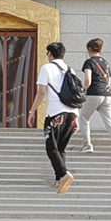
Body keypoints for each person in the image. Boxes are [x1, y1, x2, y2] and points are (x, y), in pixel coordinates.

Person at [36, 41, 79, 192]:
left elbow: (41, 92)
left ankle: (64, 174)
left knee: (51, 148)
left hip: (55, 113)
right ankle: (58, 179)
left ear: (50, 54)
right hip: (72, 113)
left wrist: (31, 111)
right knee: (61, 148)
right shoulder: (70, 69)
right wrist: (76, 118)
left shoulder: (46, 68)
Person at [76, 39, 111, 155]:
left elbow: (88, 79)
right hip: (108, 95)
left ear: (89, 49)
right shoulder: (106, 63)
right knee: (110, 121)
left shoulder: (89, 62)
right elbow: (109, 81)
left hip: (94, 93)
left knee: (84, 118)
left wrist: (84, 89)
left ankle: (87, 144)